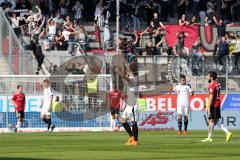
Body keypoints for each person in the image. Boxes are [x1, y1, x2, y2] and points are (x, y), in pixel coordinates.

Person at [201, 71, 232, 142]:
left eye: (208, 76)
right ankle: (210, 137)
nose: (207, 77)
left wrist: (208, 108)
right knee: (214, 121)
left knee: (212, 120)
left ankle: (226, 132)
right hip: (218, 103)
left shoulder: (212, 85)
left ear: (211, 77)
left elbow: (211, 97)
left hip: (214, 105)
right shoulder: (218, 84)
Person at [114, 63, 139, 146]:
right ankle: (131, 137)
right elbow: (127, 77)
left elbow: (126, 78)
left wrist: (118, 72)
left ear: (131, 70)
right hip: (129, 103)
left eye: (129, 68)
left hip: (133, 104)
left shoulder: (134, 78)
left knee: (133, 122)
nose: (128, 69)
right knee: (122, 120)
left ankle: (135, 141)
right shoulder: (133, 76)